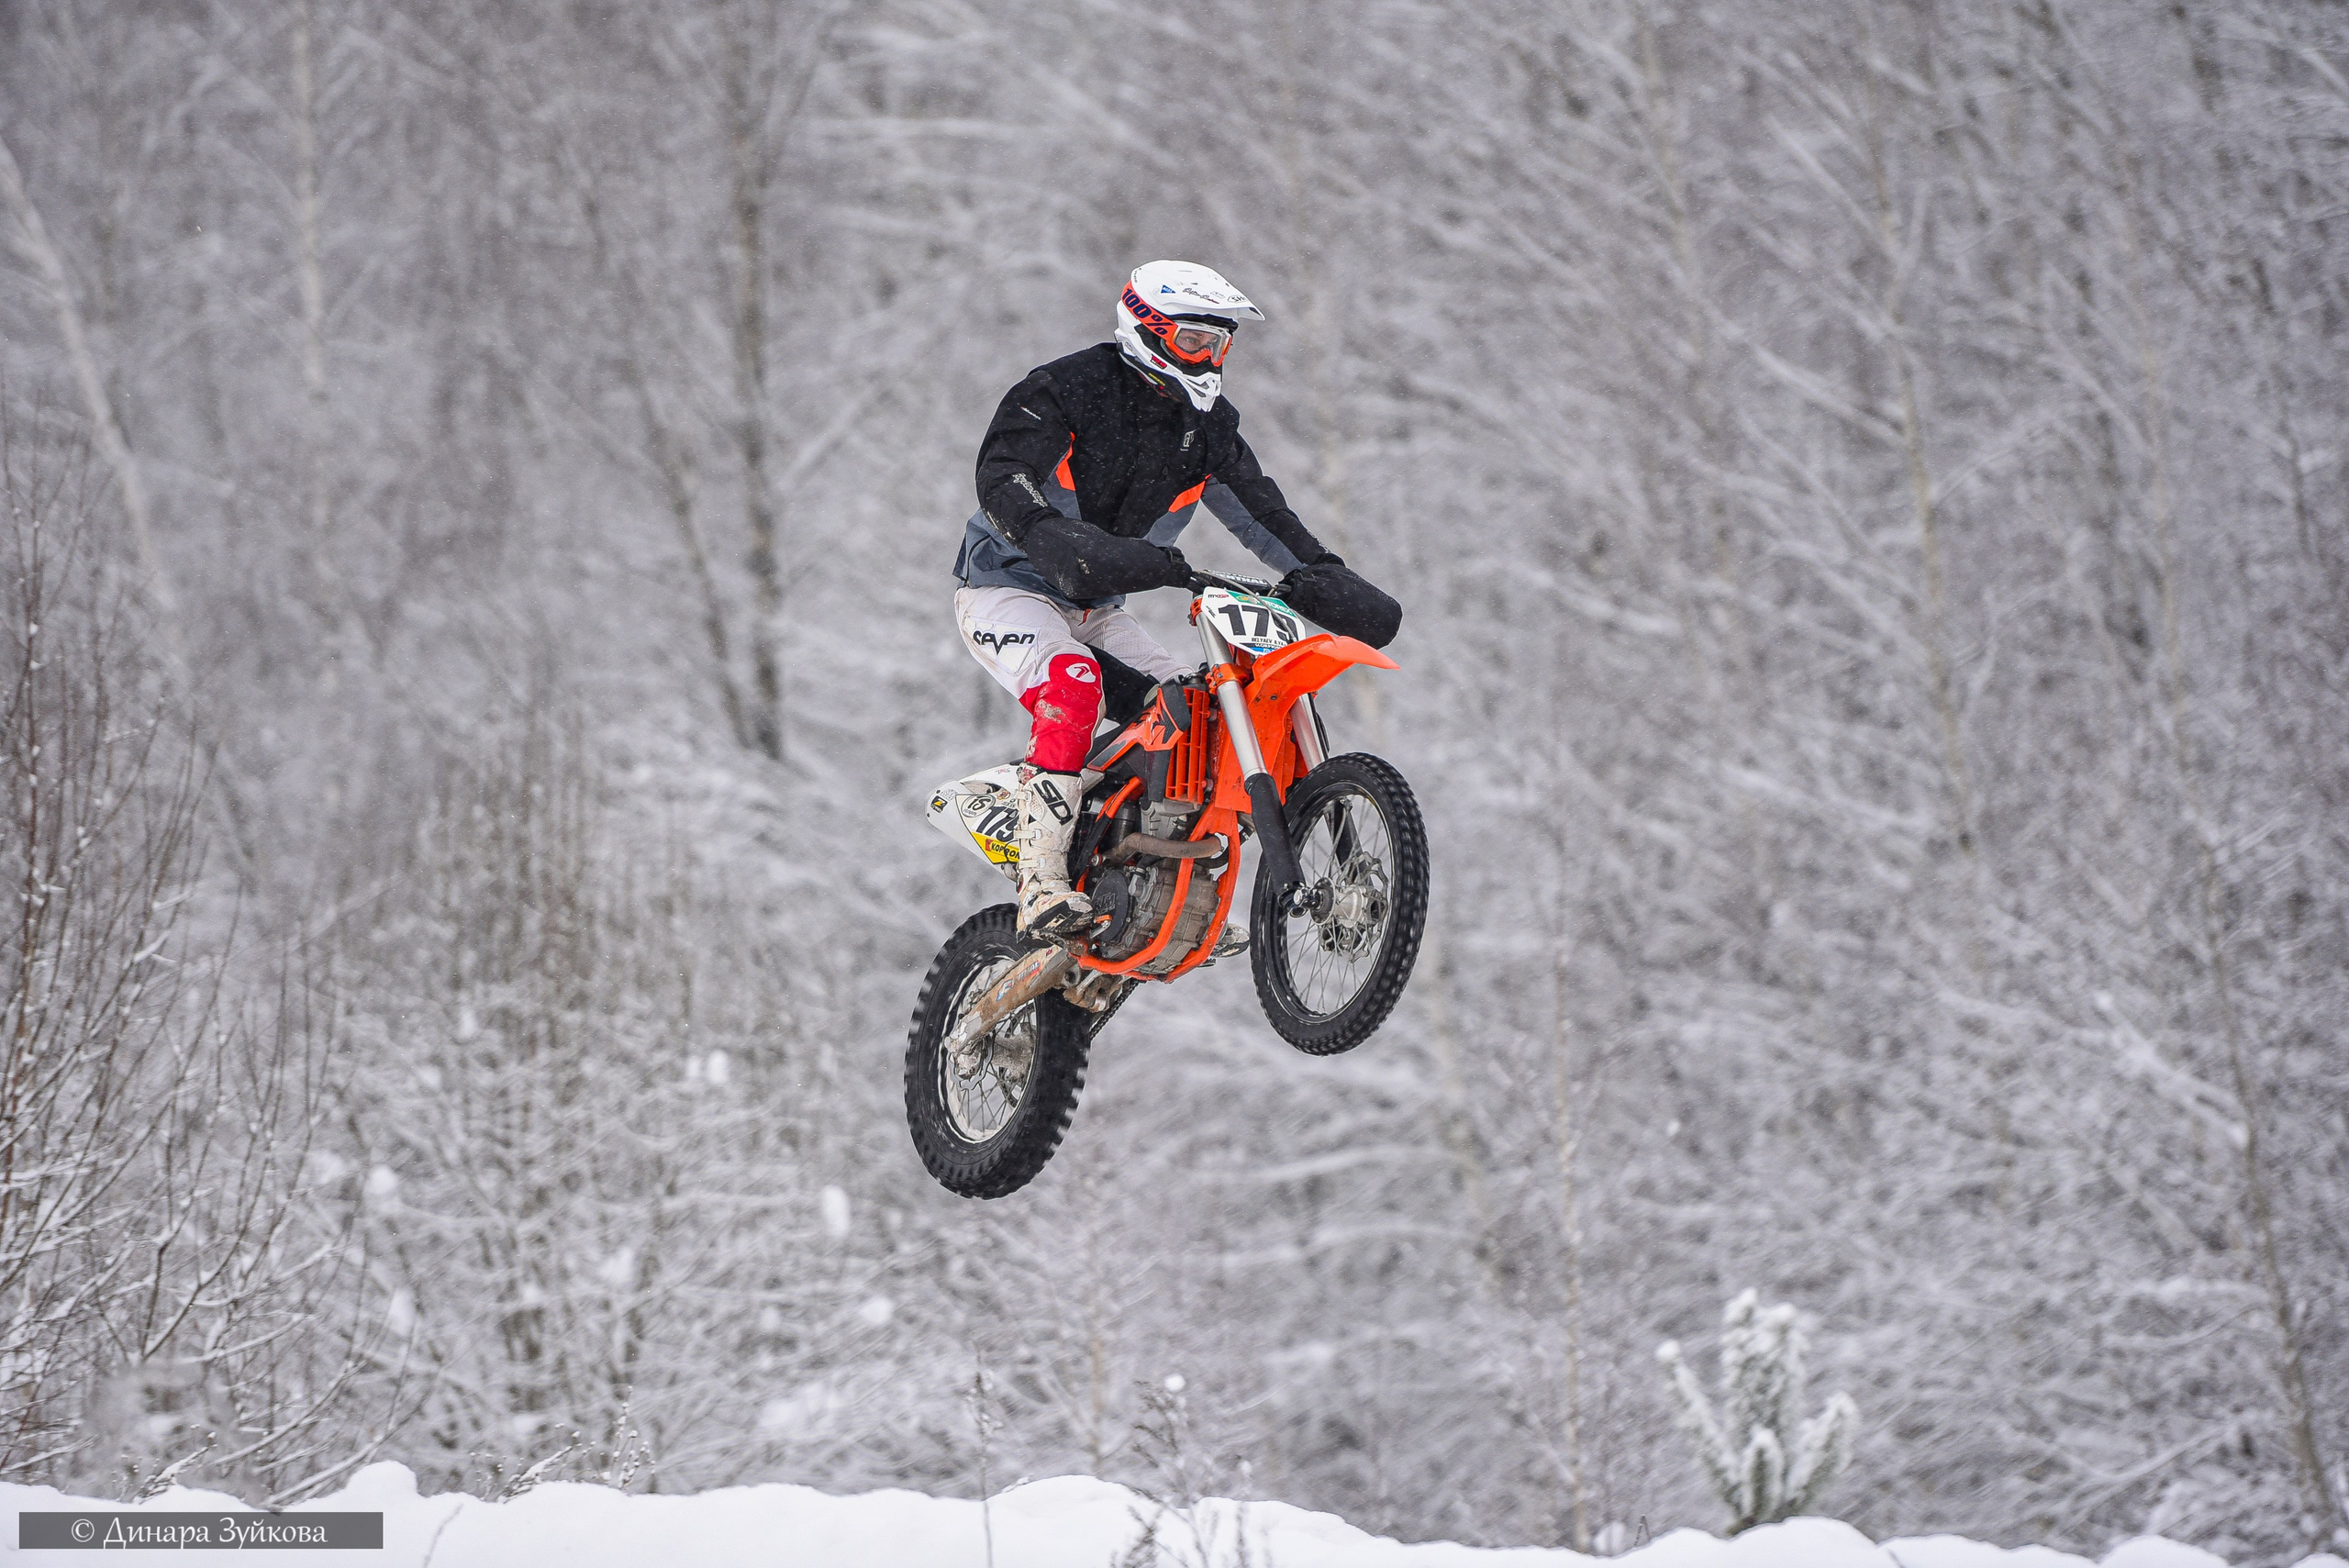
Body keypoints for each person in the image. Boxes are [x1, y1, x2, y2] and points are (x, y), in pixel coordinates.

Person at [952, 260, 1398, 939]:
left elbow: (1264, 516)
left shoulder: (1207, 428)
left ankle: (1151, 870)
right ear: (1147, 328)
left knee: (1196, 714)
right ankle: (1040, 881)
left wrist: (1324, 574)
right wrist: (1051, 537)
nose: (1208, 357)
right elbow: (1002, 477)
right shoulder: (1065, 389)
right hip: (1006, 587)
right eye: (1194, 340)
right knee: (1072, 682)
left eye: (1219, 343)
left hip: (1098, 607)